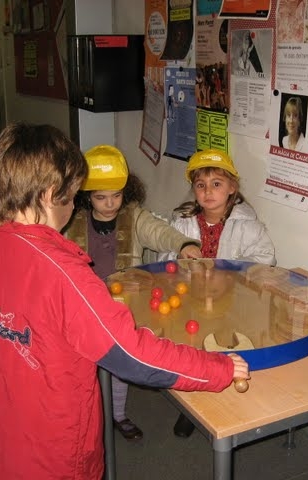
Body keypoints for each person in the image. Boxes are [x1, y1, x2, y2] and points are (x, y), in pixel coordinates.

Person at [0, 123, 249, 480]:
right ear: (51, 195)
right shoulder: (62, 271)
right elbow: (131, 355)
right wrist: (217, 367)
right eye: (74, 194)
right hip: (39, 457)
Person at [62, 144, 203, 442]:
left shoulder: (134, 216)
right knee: (80, 368)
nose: (110, 204)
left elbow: (159, 230)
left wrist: (182, 244)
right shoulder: (70, 221)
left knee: (118, 365)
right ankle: (84, 418)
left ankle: (117, 414)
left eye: (116, 195)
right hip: (83, 306)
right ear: (86, 196)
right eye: (101, 198)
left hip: (121, 307)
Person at [159, 148, 276, 437]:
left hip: (232, 302)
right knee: (194, 351)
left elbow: (266, 257)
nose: (208, 192)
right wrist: (178, 258)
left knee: (226, 350)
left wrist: (231, 271)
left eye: (216, 184)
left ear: (232, 188)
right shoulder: (182, 222)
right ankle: (194, 406)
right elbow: (162, 258)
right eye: (201, 185)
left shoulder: (248, 224)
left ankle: (226, 406)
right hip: (191, 301)